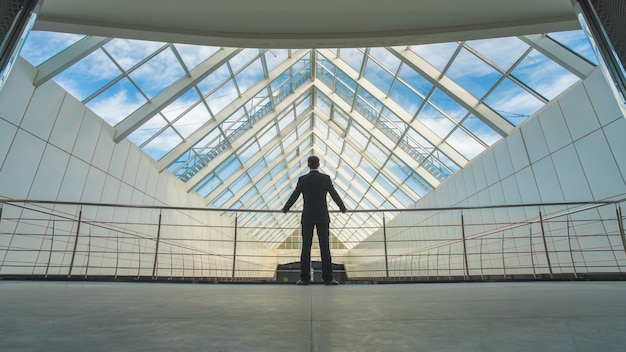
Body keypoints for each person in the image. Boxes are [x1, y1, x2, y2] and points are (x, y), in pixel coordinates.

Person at [282, 155, 347, 286]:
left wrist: (286, 208)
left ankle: (304, 278)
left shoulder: (303, 179)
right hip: (322, 216)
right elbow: (334, 194)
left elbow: (295, 195)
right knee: (325, 247)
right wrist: (342, 207)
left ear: (308, 165)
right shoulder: (325, 179)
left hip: (307, 217)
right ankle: (328, 278)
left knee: (306, 247)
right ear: (318, 164)